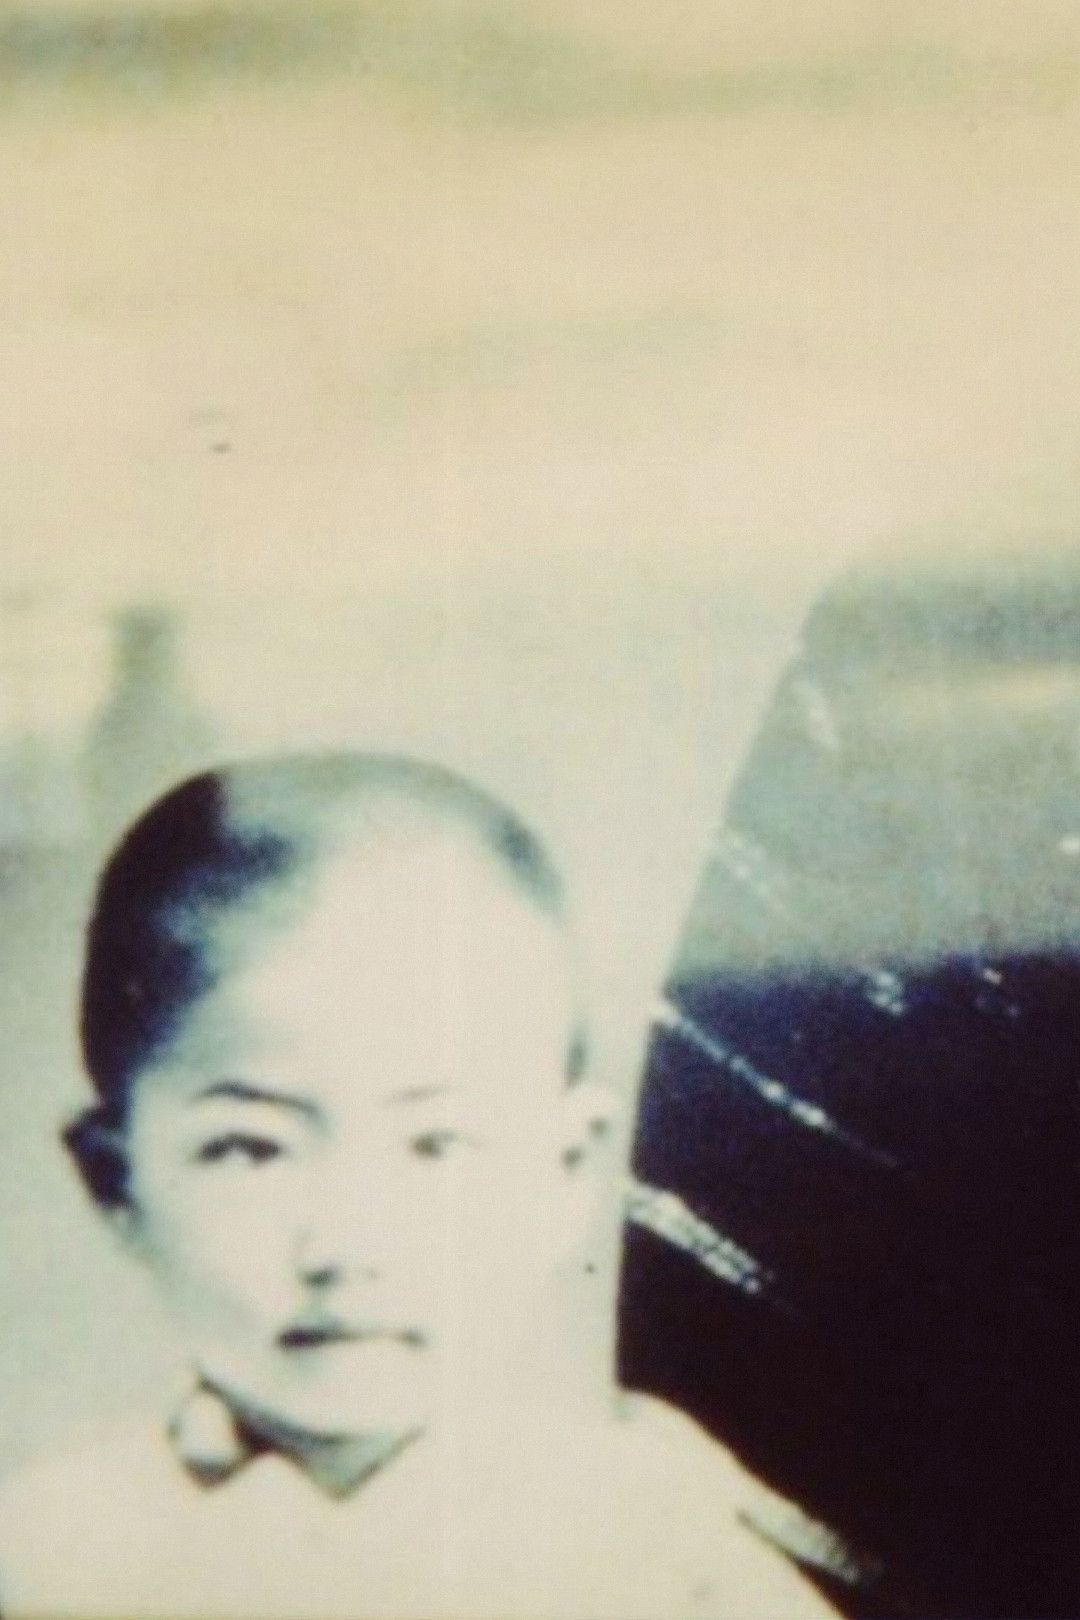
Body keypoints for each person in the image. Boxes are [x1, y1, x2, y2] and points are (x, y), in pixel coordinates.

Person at [0, 752, 838, 1619]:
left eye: (436, 1146)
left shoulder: (663, 1551)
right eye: (251, 1150)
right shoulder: (46, 1559)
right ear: (115, 1181)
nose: (346, 1247)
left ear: (567, 1171)